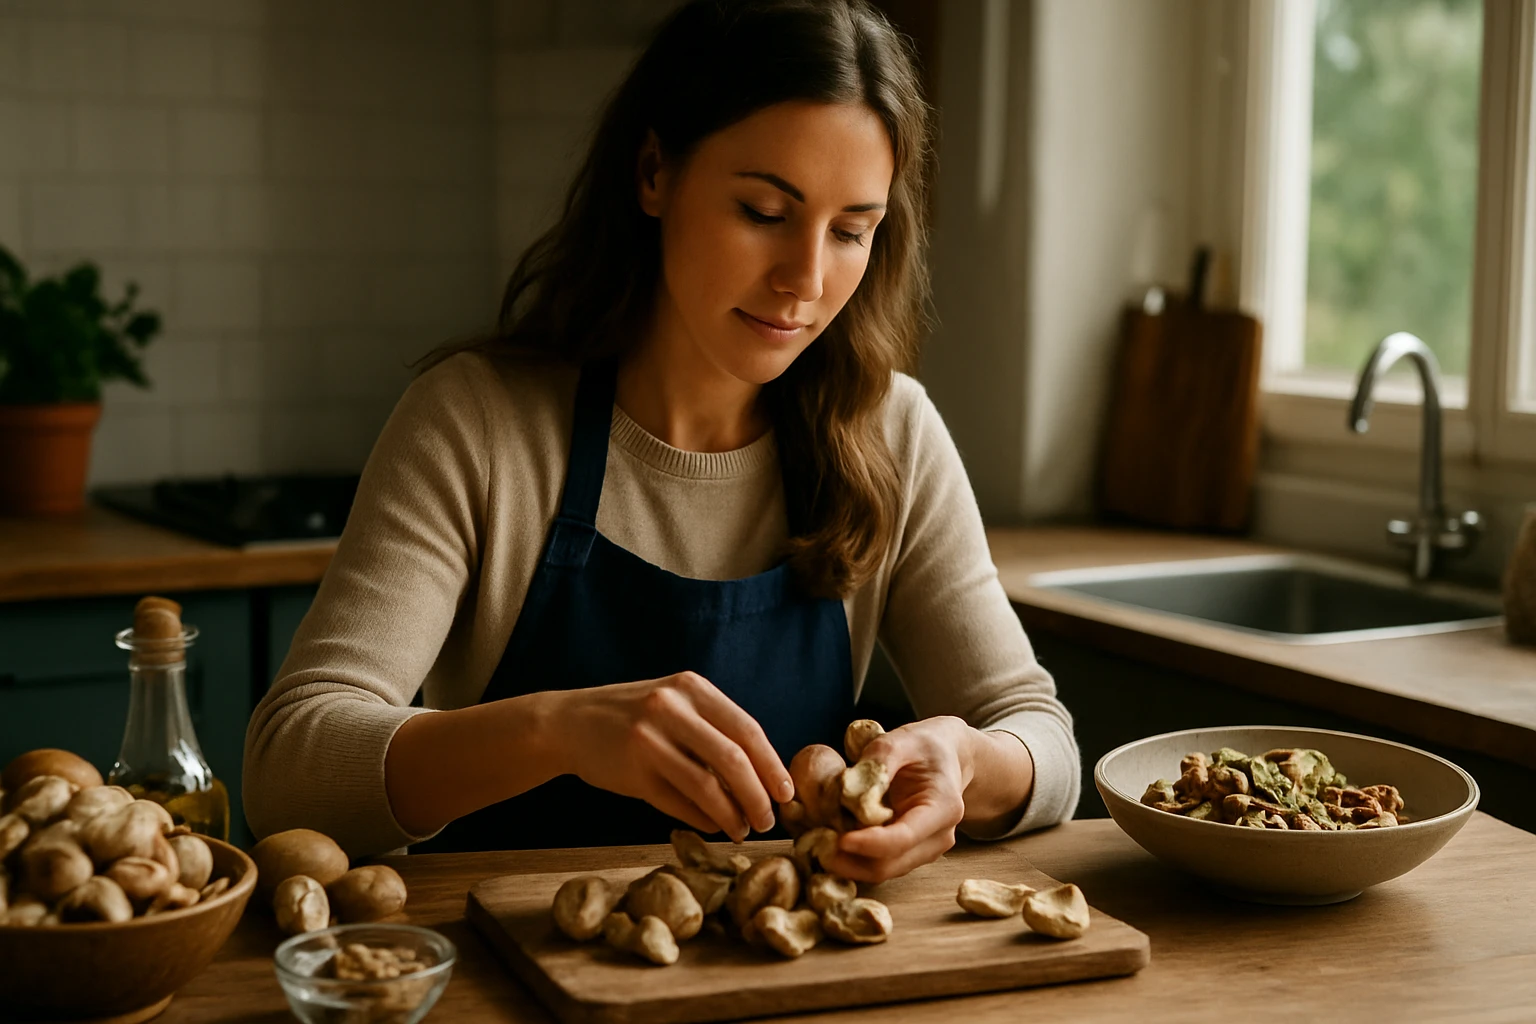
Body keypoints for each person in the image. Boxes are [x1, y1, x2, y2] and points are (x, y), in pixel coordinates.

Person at [243, 0, 1079, 883]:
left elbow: (1040, 737)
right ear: (653, 173)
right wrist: (555, 730)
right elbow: (289, 771)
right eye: (763, 210)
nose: (805, 280)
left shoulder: (891, 431)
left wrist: (967, 764)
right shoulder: (479, 423)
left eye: (850, 232)